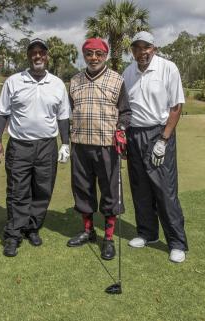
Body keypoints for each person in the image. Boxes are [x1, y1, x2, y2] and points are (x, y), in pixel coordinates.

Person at [0, 38, 71, 257]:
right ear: (28, 56)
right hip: (20, 146)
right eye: (33, 52)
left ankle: (32, 228)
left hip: (47, 145)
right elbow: (2, 113)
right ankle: (13, 235)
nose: (38, 56)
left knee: (42, 190)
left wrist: (66, 143)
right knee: (18, 191)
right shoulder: (14, 81)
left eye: (41, 53)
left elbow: (63, 117)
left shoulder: (57, 84)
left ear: (47, 56)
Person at [122, 31, 189, 263]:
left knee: (164, 190)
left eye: (147, 47)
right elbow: (125, 110)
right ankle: (147, 233)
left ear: (154, 49)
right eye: (138, 48)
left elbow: (176, 106)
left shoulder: (168, 68)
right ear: (132, 51)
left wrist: (164, 139)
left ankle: (177, 242)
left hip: (158, 133)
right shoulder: (128, 72)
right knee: (140, 188)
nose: (142, 52)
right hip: (134, 134)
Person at [66, 38, 131, 260]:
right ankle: (88, 231)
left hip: (107, 147)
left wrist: (121, 129)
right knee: (83, 189)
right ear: (83, 55)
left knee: (110, 193)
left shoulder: (117, 79)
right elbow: (70, 111)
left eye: (98, 54)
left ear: (105, 55)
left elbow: (125, 112)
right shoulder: (74, 80)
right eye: (89, 53)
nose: (94, 58)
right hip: (80, 145)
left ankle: (109, 238)